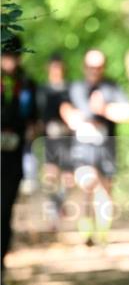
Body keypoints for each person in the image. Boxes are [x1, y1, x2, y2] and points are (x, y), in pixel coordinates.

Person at [59, 49, 129, 245]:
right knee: (87, 183)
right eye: (91, 66)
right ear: (84, 67)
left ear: (104, 67)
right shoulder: (75, 87)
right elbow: (64, 108)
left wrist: (104, 109)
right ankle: (86, 233)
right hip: (82, 148)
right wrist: (74, 120)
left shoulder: (112, 88)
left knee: (104, 191)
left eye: (99, 66)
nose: (94, 70)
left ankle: (102, 234)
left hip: (106, 148)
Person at [1, 36, 39, 277]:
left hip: (13, 158)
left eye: (14, 55)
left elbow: (34, 121)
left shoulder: (26, 84)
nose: (10, 61)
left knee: (4, 212)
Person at [36, 53, 73, 230]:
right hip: (48, 139)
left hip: (67, 139)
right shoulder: (42, 90)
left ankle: (59, 205)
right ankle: (53, 214)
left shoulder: (69, 88)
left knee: (67, 178)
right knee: (50, 176)